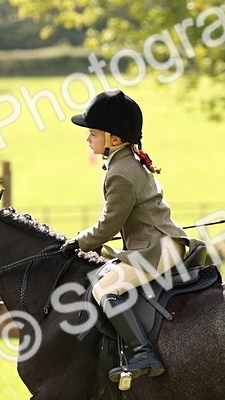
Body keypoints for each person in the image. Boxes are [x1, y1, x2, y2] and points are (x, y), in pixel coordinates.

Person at [63, 89, 190, 383]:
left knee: (104, 289)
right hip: (160, 243)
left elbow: (109, 224)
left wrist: (77, 243)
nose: (87, 139)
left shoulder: (120, 172)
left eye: (93, 134)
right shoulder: (128, 161)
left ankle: (143, 352)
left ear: (114, 139)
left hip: (155, 250)